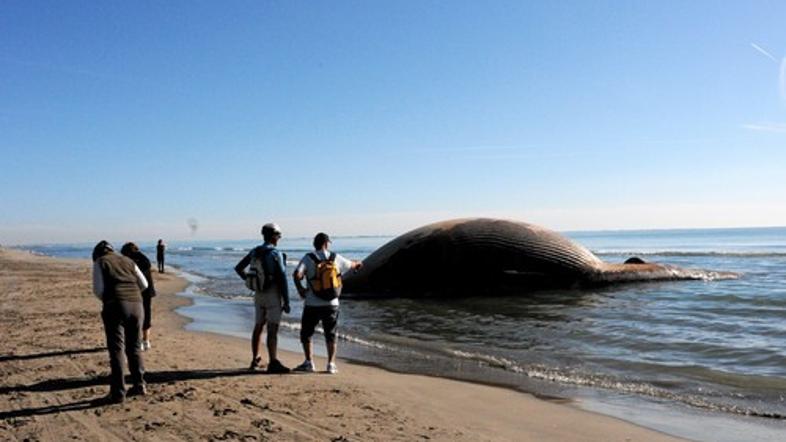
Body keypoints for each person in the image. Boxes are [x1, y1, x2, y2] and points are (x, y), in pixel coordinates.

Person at [292, 233, 362, 374]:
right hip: (332, 303)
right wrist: (359, 263)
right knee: (330, 334)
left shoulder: (308, 258)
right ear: (326, 243)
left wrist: (300, 288)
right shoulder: (335, 258)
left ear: (315, 244)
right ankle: (331, 364)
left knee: (306, 333)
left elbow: (296, 274)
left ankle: (309, 363)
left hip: (312, 303)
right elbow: (352, 265)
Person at [92, 240, 149, 403]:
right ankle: (139, 385)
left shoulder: (100, 262)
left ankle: (118, 392)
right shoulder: (128, 260)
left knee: (117, 349)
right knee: (135, 347)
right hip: (137, 306)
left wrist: (111, 299)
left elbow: (98, 290)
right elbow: (144, 284)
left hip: (115, 306)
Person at [234, 223, 291, 374]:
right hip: (272, 294)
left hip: (258, 294)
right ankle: (273, 361)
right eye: (278, 235)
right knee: (272, 329)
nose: (279, 238)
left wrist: (249, 282)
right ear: (273, 236)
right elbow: (282, 278)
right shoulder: (275, 253)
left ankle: (255, 359)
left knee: (258, 326)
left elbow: (238, 268)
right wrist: (286, 301)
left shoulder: (255, 251)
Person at [121, 242, 156, 351]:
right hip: (148, 292)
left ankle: (139, 341)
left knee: (135, 317)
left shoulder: (130, 262)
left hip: (136, 292)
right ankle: (146, 340)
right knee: (146, 315)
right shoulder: (144, 259)